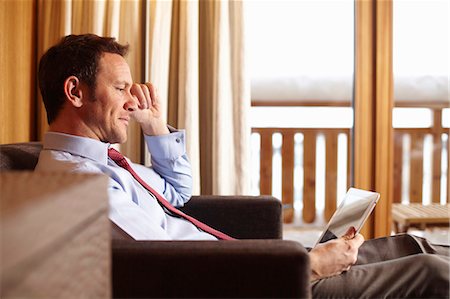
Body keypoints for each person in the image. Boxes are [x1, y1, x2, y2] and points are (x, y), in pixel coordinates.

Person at [35, 34, 449, 298]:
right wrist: (315, 264)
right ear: (75, 91)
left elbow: (177, 194)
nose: (132, 101)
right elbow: (169, 270)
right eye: (122, 88)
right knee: (430, 271)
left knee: (412, 245)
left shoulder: (104, 162)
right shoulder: (74, 185)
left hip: (259, 265)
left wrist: (156, 128)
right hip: (257, 282)